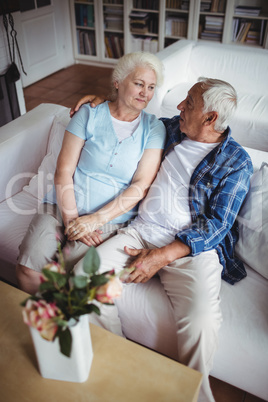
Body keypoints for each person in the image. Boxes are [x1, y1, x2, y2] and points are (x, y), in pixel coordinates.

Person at [73, 77, 253, 402]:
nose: (180, 106)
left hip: (191, 249)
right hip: (139, 230)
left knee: (201, 320)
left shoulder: (236, 161)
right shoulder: (171, 130)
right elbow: (131, 114)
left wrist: (161, 256)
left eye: (190, 104)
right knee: (84, 279)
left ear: (211, 118)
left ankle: (196, 397)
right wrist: (100, 102)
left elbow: (217, 224)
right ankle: (121, 362)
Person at [16, 52, 166, 295]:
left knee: (67, 275)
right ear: (118, 82)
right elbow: (63, 171)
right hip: (60, 206)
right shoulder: (89, 113)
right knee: (28, 267)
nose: (145, 93)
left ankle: (59, 325)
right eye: (138, 84)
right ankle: (43, 327)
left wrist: (95, 220)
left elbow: (140, 185)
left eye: (151, 87)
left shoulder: (154, 128)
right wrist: (72, 220)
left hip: (108, 218)